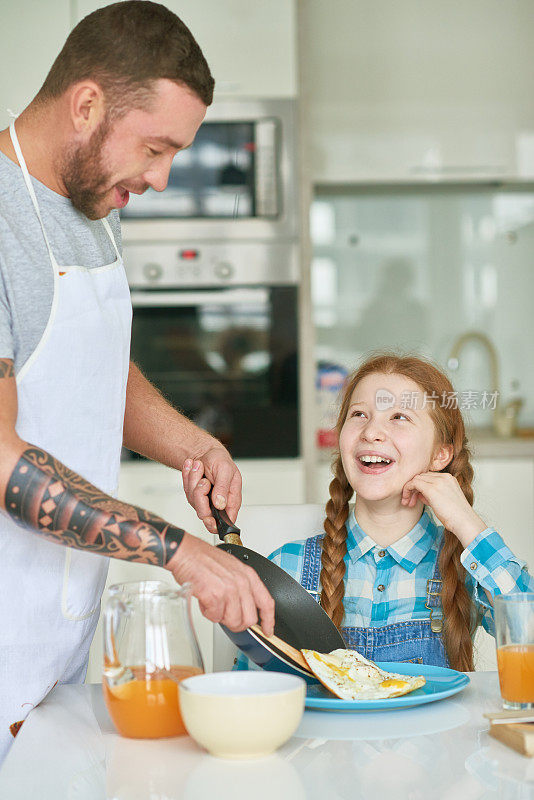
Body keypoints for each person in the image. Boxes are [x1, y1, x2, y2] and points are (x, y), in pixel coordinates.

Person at [0, 0, 274, 762]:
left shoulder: (95, 203)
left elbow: (84, 362)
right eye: (156, 148)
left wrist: (188, 443)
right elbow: (0, 459)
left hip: (56, 641)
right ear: (86, 103)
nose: (160, 177)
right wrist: (181, 551)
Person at [239, 352, 534, 672]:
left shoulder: (467, 569)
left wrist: (467, 523)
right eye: (359, 414)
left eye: (399, 417)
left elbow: (527, 629)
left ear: (440, 454)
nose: (371, 432)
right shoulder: (286, 569)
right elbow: (249, 695)